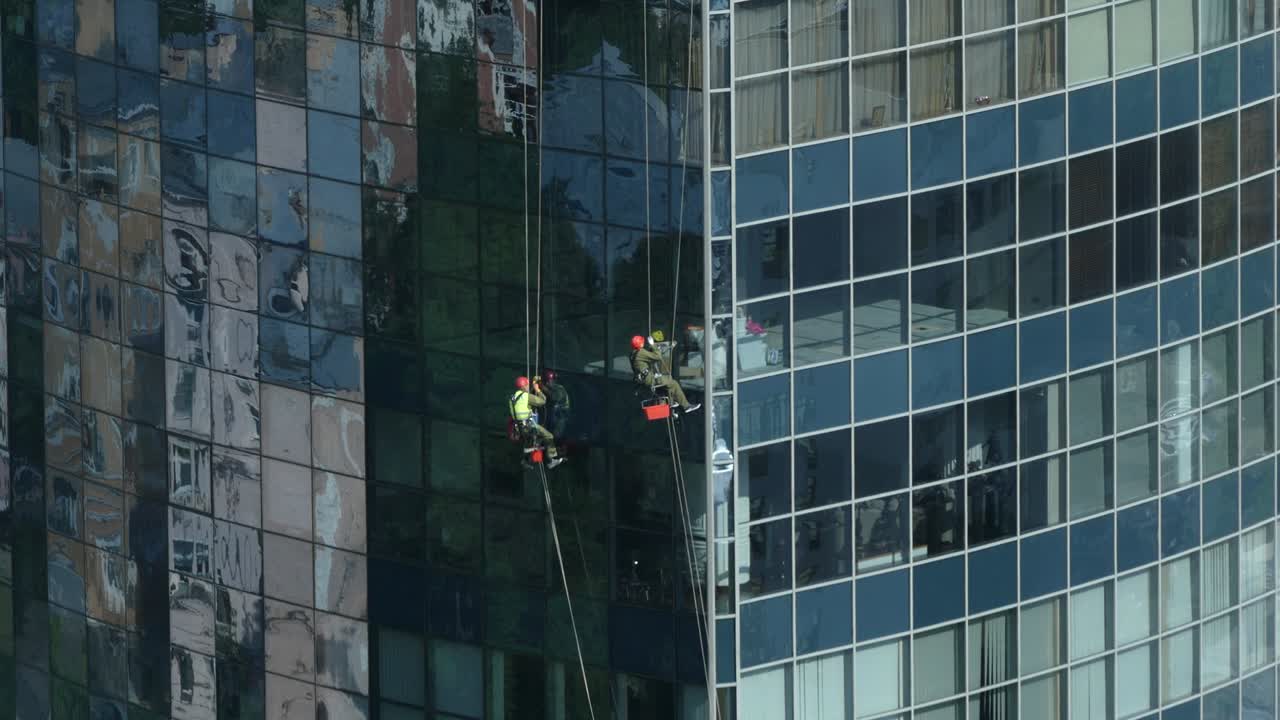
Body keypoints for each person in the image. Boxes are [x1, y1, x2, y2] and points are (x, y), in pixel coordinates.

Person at [630, 335, 700, 412]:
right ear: (641, 344)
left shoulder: (633, 354)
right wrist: (653, 345)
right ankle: (686, 406)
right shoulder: (641, 352)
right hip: (650, 379)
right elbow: (658, 357)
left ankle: (671, 402)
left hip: (643, 379)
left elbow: (646, 361)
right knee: (673, 383)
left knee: (667, 381)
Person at [509, 376, 564, 468]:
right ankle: (552, 459)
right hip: (528, 426)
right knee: (549, 436)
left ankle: (525, 461)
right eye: (527, 385)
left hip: (519, 427)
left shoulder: (513, 397)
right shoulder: (525, 396)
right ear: (524, 386)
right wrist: (537, 390)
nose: (528, 386)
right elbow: (542, 401)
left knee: (530, 441)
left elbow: (522, 404)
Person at [540, 369, 570, 438]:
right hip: (556, 415)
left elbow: (555, 397)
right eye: (546, 382)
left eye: (548, 382)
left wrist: (544, 389)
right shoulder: (553, 388)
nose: (547, 384)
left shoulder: (559, 388)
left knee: (556, 435)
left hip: (560, 416)